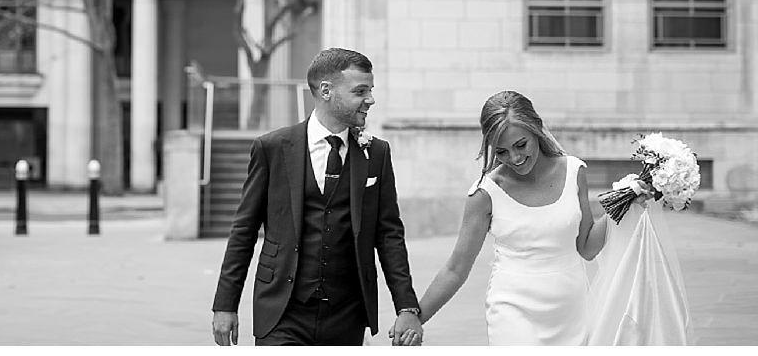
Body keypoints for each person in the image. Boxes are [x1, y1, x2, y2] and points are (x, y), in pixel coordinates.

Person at [211, 47, 423, 346]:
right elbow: (243, 232)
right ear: (326, 90)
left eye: (370, 90)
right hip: (282, 312)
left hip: (347, 315)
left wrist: (407, 307)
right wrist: (225, 303)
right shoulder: (273, 148)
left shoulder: (376, 153)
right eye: (360, 91)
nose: (370, 100)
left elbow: (389, 235)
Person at [402, 90, 626, 346]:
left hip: (572, 310)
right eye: (502, 151)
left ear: (537, 129)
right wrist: (416, 317)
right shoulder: (485, 193)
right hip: (512, 310)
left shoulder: (574, 170)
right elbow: (456, 269)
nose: (515, 158)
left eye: (521, 145)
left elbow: (586, 247)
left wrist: (622, 204)